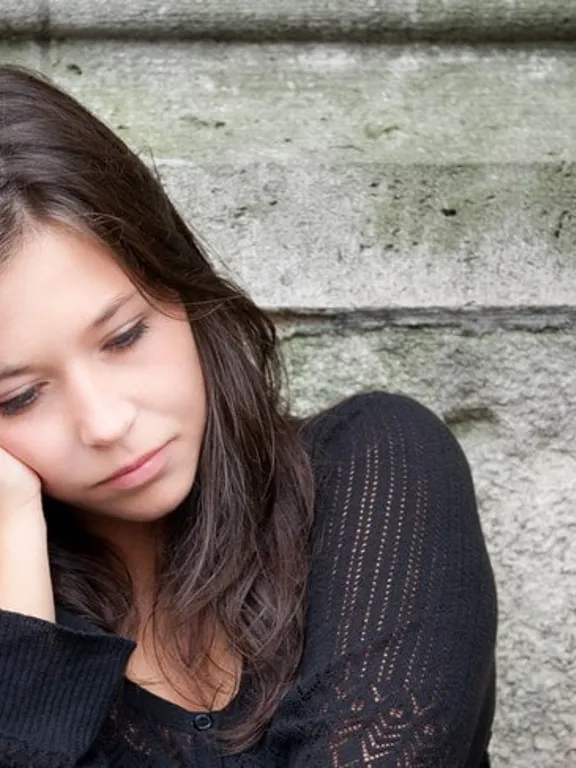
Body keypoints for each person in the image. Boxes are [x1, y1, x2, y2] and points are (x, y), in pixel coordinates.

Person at [0, 63, 497, 767]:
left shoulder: (378, 469)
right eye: (18, 397)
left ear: (181, 286)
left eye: (125, 337)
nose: (106, 423)